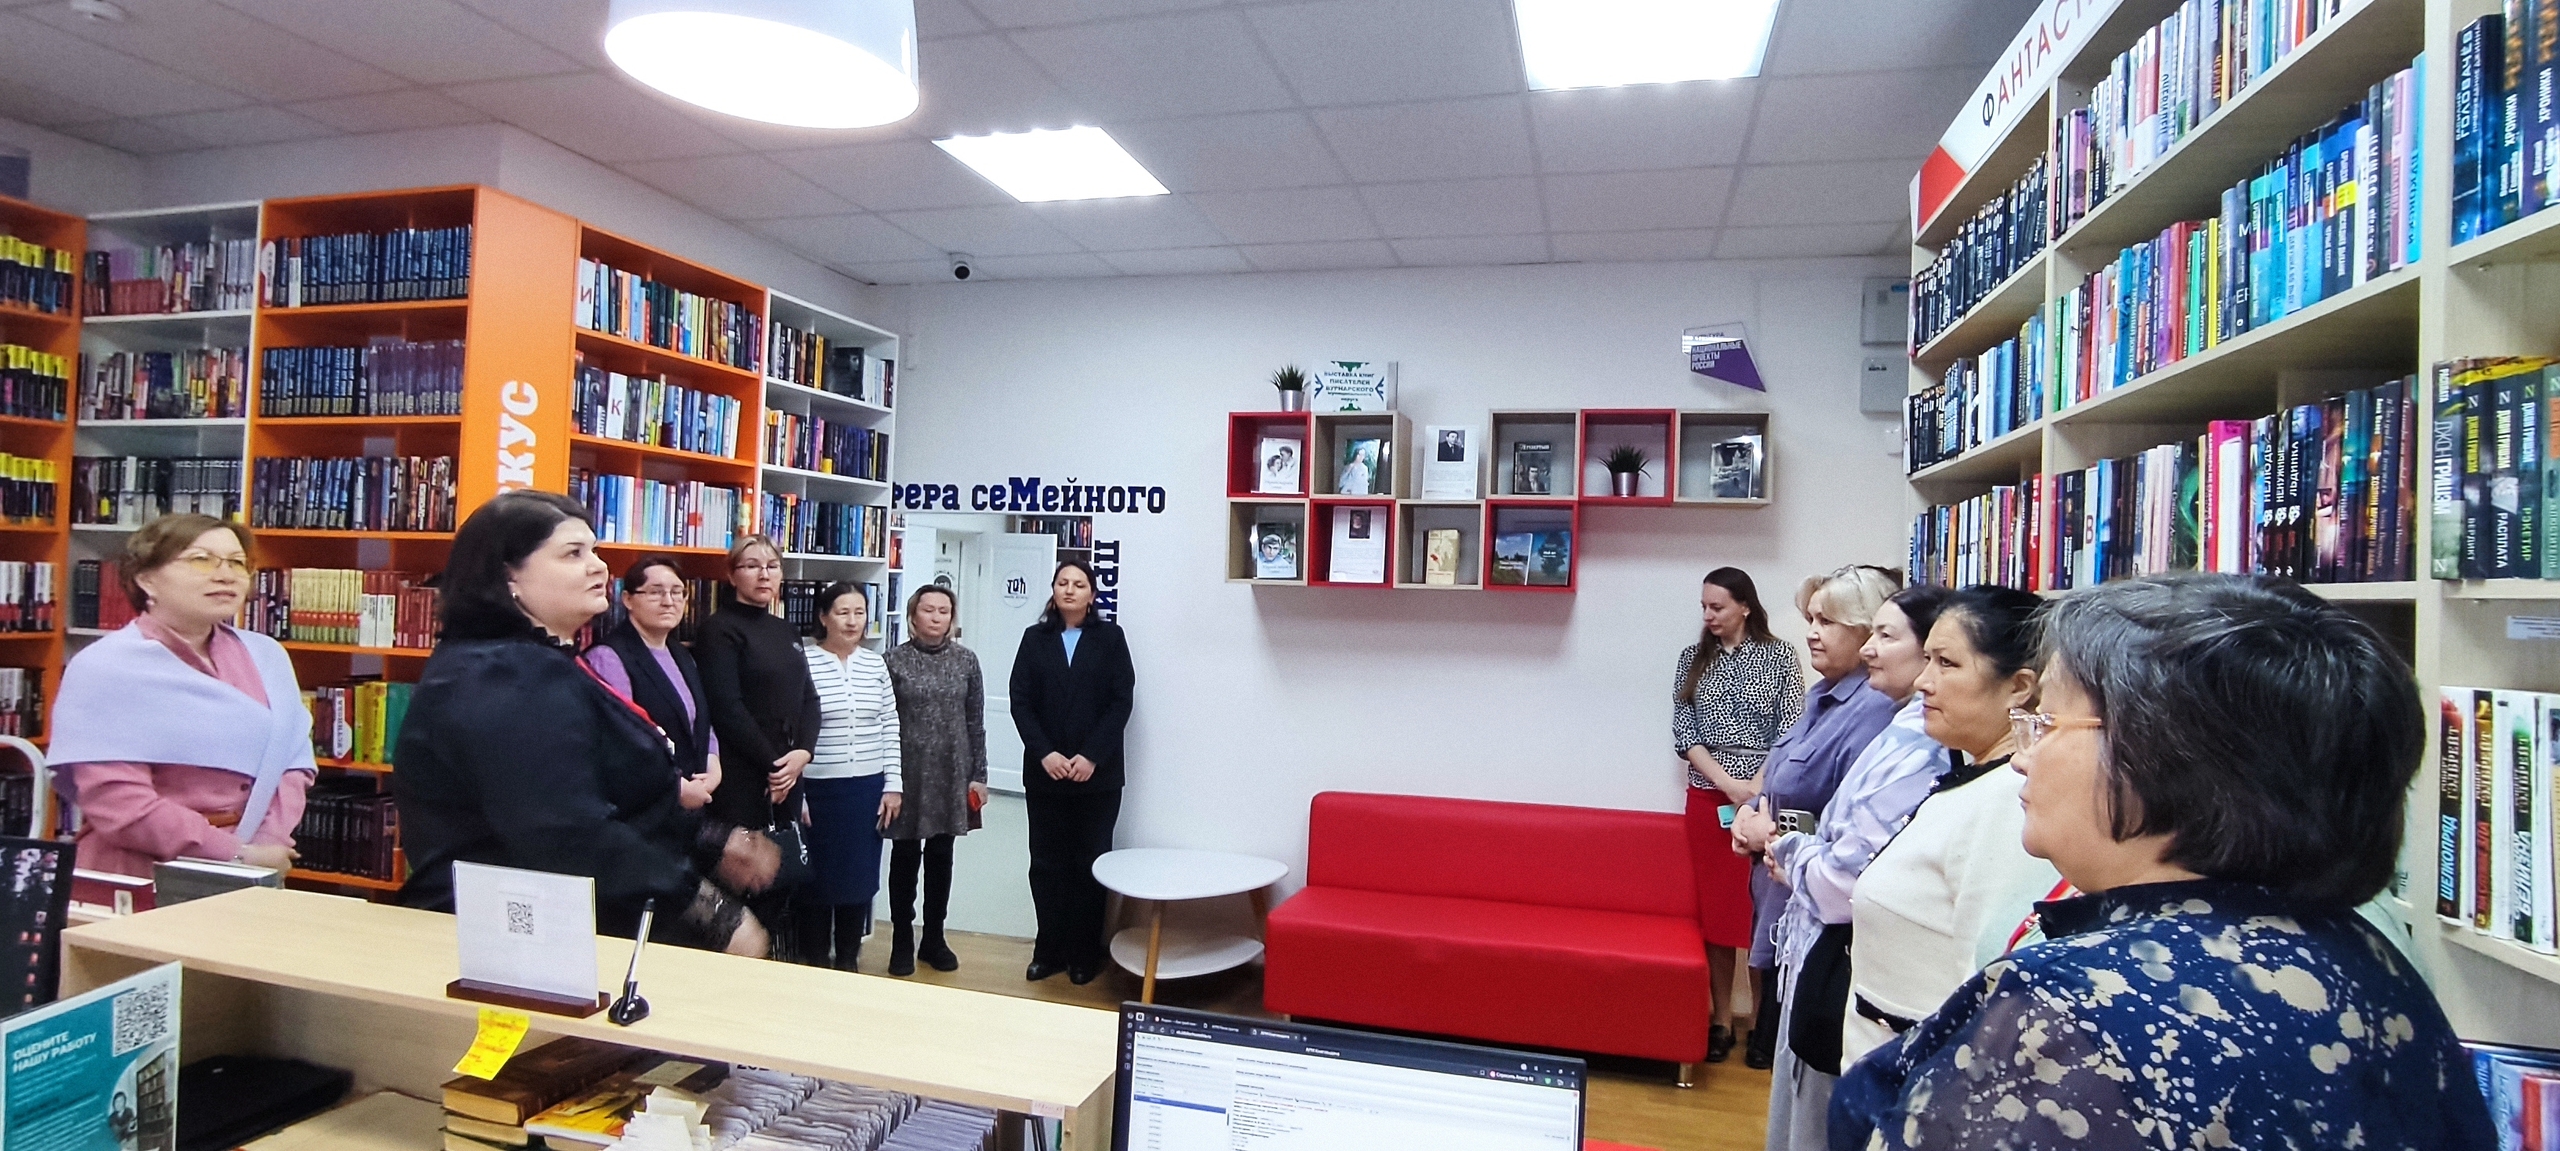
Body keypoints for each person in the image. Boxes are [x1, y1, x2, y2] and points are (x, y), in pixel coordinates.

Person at [1832, 575, 2495, 1150]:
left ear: (2158, 759)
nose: (2024, 757)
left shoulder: (2073, 1006)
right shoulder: (2371, 959)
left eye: (2048, 721)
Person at [395, 490, 776, 953]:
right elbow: (564, 830)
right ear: (509, 576)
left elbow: (618, 790)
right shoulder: (504, 675)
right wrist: (712, 913)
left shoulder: (540, 660)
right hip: (511, 941)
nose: (599, 567)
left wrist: (711, 841)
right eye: (573, 553)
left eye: (594, 551)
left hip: (565, 925)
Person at [1735, 585, 1950, 1151]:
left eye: (1827, 621)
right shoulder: (1846, 703)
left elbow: (1842, 871)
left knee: (1816, 1120)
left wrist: (1778, 842)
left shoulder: (1898, 728)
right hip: (1806, 926)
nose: (1812, 632)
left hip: (1840, 945)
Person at [1837, 585, 2059, 1071]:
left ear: (2019, 686)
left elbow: (1986, 986)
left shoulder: (2011, 800)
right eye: (1927, 660)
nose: (1923, 681)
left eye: (1946, 663)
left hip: (1922, 1082)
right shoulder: (1973, 779)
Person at [1725, 567, 1899, 1141]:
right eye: (1811, 619)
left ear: (1866, 631)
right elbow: (1783, 781)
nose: (1812, 633)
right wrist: (1750, 820)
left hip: (1823, 914)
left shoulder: (1874, 710)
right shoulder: (1821, 695)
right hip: (1786, 898)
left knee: (1810, 1098)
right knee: (1789, 1084)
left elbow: (1849, 826)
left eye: (1828, 621)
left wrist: (1767, 834)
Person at [47, 514, 314, 878]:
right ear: (146, 578)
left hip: (257, 864)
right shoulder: (104, 666)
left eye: (237, 563)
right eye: (202, 560)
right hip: (143, 869)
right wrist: (234, 854)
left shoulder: (267, 656)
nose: (226, 575)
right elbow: (119, 804)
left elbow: (293, 762)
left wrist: (269, 842)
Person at [1672, 566, 1804, 1065]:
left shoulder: (1779, 656)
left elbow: (1791, 730)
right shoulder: (1693, 659)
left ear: (1745, 606)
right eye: (1704, 607)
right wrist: (1729, 785)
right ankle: (1721, 1020)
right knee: (1717, 914)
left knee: (1761, 914)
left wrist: (1757, 787)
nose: (1709, 616)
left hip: (1767, 801)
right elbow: (1685, 734)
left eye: (1718, 606)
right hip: (1710, 800)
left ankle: (1763, 1025)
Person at [1010, 559, 1135, 985]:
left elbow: (1121, 702)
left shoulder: (1111, 638)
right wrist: (1044, 753)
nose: (1069, 590)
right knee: (1046, 864)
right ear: (1053, 590)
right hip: (1045, 774)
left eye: (1079, 584)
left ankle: (1084, 953)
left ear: (1092, 595)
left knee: (1089, 864)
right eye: (1062, 582)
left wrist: (1091, 756)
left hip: (1097, 777)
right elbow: (1020, 701)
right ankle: (1048, 950)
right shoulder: (1035, 639)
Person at [694, 534, 820, 955]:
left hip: (788, 773)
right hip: (744, 775)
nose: (764, 574)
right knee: (745, 880)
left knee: (782, 877)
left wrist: (802, 755)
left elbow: (809, 699)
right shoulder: (718, 629)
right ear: (732, 575)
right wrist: (775, 765)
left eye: (772, 566)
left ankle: (775, 962)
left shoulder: (786, 629)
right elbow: (726, 708)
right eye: (751, 565)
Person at [882, 583, 988, 978]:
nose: (936, 617)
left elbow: (975, 722)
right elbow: (883, 721)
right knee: (905, 857)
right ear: (913, 615)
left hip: (951, 772)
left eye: (944, 611)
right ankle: (901, 939)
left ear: (951, 618)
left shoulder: (966, 661)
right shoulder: (892, 661)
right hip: (907, 772)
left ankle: (934, 938)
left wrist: (979, 776)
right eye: (928, 610)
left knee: (942, 856)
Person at [797, 583, 900, 971]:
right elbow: (792, 730)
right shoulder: (803, 661)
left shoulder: (875, 664)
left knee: (858, 880)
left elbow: (890, 725)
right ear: (823, 617)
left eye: (860, 612)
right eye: (843, 612)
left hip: (866, 790)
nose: (853, 621)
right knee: (816, 881)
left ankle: (848, 961)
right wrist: (797, 792)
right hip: (818, 790)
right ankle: (815, 960)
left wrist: (893, 785)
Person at [583, 554, 720, 812]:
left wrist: (713, 766)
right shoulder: (608, 657)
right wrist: (676, 787)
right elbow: (622, 741)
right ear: (628, 599)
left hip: (690, 803)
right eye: (656, 592)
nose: (668, 601)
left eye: (677, 592)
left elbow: (700, 722)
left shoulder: (682, 654)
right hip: (642, 808)